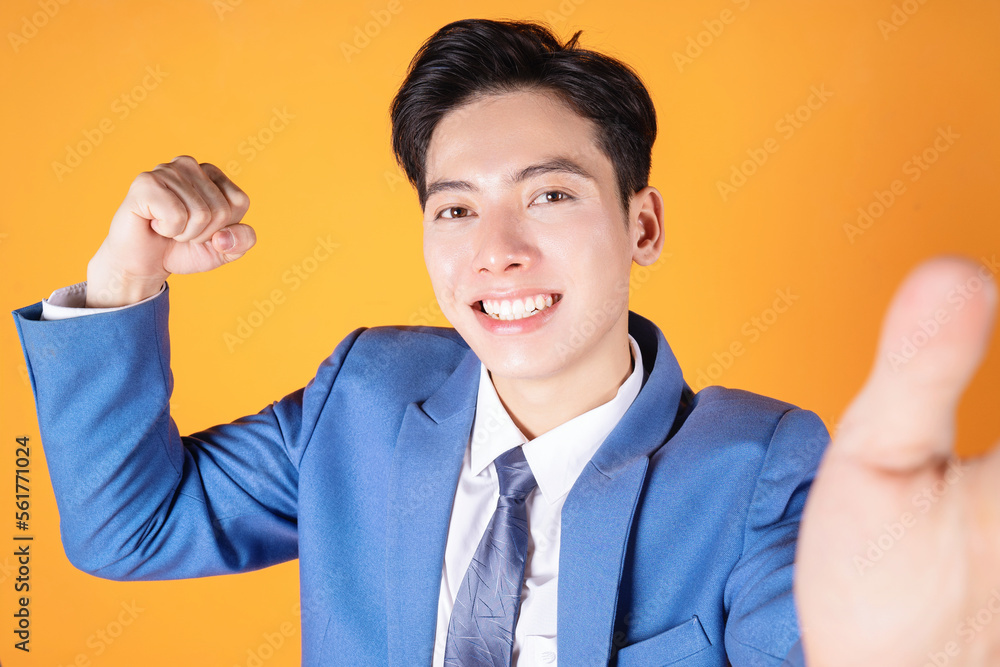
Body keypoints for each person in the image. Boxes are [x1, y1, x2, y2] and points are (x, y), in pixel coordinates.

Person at [10, 18, 1000, 667]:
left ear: (641, 226)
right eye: (455, 209)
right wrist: (125, 276)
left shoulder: (755, 467)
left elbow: (835, 629)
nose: (497, 252)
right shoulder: (361, 397)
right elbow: (128, 530)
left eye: (552, 195)